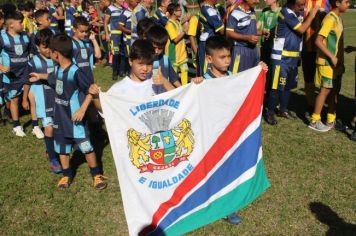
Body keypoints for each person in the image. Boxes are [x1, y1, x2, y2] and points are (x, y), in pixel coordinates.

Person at [29, 34, 107, 190]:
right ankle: (66, 175)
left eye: (50, 52)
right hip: (60, 118)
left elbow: (90, 91)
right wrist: (40, 76)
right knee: (62, 148)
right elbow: (51, 77)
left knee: (87, 147)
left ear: (56, 53)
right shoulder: (58, 69)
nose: (50, 55)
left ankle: (96, 174)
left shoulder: (76, 72)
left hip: (75, 119)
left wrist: (82, 109)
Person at [265, 0, 319, 125]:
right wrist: (312, 14)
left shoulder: (295, 12)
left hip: (293, 57)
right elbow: (302, 29)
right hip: (281, 58)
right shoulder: (286, 12)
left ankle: (283, 110)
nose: (302, 8)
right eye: (300, 5)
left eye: (303, 5)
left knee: (288, 85)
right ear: (291, 3)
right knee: (276, 86)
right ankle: (270, 111)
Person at [89, 39, 175, 113]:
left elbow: (179, 99)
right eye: (140, 64)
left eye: (149, 64)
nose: (145, 68)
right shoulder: (119, 88)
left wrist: (165, 82)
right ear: (130, 61)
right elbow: (105, 110)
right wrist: (96, 97)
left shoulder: (156, 82)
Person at [308, 0, 349, 132]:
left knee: (333, 90)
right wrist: (331, 56)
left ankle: (331, 120)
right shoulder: (330, 19)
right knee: (325, 90)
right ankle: (314, 121)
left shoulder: (337, 18)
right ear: (337, 3)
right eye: (346, 2)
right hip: (326, 62)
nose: (348, 4)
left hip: (333, 62)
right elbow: (318, 41)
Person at [25, 28, 62, 173]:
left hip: (58, 97)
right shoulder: (33, 61)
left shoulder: (58, 57)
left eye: (50, 46)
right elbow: (27, 80)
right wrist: (25, 98)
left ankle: (53, 150)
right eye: (45, 47)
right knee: (49, 128)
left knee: (59, 128)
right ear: (38, 46)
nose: (48, 50)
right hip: (43, 99)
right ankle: (53, 159)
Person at [0, 11, 31, 137]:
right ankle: (17, 125)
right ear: (11, 25)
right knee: (14, 99)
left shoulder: (26, 36)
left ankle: (36, 123)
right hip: (11, 75)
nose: (23, 25)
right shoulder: (2, 38)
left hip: (26, 72)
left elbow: (30, 51)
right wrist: (1, 66)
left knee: (32, 96)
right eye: (20, 22)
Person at [302, 0, 329, 117]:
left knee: (325, 79)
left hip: (322, 49)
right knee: (308, 78)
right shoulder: (304, 2)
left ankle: (325, 106)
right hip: (306, 47)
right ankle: (311, 105)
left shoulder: (326, 2)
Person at [226, 0, 264, 74]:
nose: (258, 1)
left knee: (252, 78)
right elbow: (229, 33)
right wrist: (247, 38)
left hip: (253, 51)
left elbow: (251, 30)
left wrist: (262, 32)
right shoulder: (235, 13)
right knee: (237, 78)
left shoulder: (252, 12)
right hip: (240, 51)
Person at [198, 0, 224, 76]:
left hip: (213, 42)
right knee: (207, 71)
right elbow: (221, 30)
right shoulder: (208, 10)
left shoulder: (213, 8)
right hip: (208, 43)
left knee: (215, 69)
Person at [165, 3, 189, 85]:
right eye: (179, 10)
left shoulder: (177, 22)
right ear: (174, 12)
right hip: (173, 55)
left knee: (185, 71)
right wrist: (185, 31)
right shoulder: (169, 24)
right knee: (173, 75)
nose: (181, 11)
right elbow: (175, 40)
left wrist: (184, 21)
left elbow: (178, 27)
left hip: (182, 54)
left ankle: (185, 88)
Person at [72, 16, 101, 82]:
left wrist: (93, 40)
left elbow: (98, 55)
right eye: (82, 32)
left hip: (89, 77)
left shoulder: (87, 43)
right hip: (76, 79)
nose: (84, 34)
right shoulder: (70, 43)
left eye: (86, 31)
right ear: (74, 29)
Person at [104, 0, 125, 80]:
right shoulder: (110, 8)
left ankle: (121, 71)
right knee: (116, 54)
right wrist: (106, 34)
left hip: (123, 34)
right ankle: (115, 72)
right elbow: (105, 22)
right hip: (114, 35)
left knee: (123, 53)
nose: (123, 0)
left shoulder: (124, 8)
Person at [118, 0, 138, 76]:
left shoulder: (137, 12)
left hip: (136, 38)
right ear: (131, 2)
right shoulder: (125, 13)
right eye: (136, 2)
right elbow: (120, 26)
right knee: (128, 56)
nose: (138, 4)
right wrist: (132, 32)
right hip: (128, 39)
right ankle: (127, 72)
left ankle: (126, 71)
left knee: (134, 55)